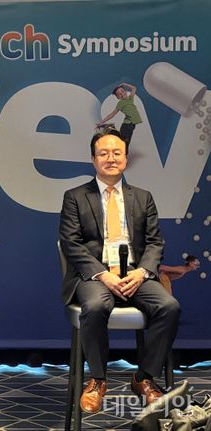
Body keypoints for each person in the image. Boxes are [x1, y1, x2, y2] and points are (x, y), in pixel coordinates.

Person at [59, 129, 180, 414]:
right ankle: (97, 380)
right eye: (104, 153)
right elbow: (71, 243)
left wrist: (143, 272)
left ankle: (144, 378)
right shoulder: (75, 197)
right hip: (95, 276)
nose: (111, 158)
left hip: (136, 275)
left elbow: (155, 242)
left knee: (169, 307)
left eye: (117, 153)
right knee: (95, 306)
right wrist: (103, 275)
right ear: (93, 159)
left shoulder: (143, 197)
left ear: (126, 158)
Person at [97, 83, 143, 147]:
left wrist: (124, 84)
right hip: (127, 125)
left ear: (125, 91)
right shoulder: (120, 103)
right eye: (119, 94)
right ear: (118, 97)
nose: (122, 94)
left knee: (125, 142)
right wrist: (101, 122)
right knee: (124, 142)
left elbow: (134, 88)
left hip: (131, 125)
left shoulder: (130, 99)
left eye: (122, 91)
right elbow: (112, 114)